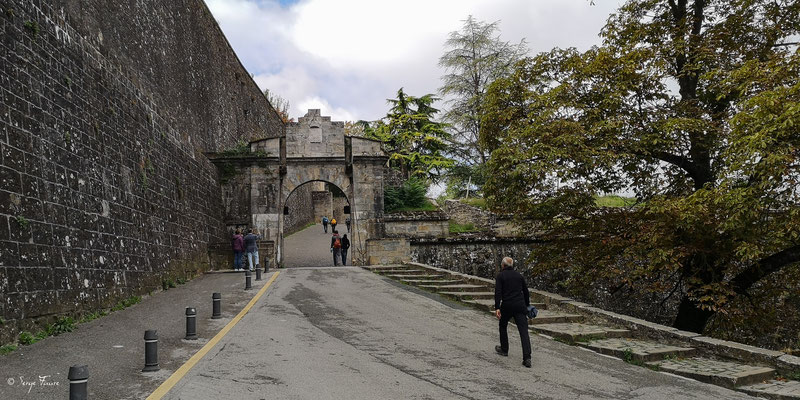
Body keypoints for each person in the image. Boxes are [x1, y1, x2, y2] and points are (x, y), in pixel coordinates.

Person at [494, 257, 532, 368]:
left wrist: (497, 307)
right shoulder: (519, 276)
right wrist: (527, 305)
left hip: (507, 305)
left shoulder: (501, 276)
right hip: (520, 305)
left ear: (503, 265)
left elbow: (498, 293)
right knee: (523, 331)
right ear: (512, 265)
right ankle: (527, 357)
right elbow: (526, 292)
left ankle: (504, 349)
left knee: (503, 325)